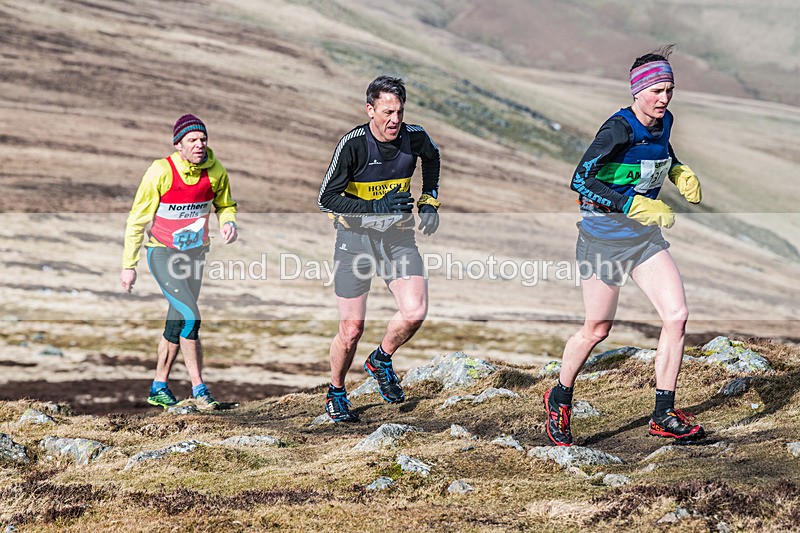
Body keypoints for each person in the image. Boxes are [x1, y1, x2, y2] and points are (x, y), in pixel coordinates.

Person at [544, 46, 705, 445]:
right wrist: (630, 202)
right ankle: (560, 396)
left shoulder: (664, 121)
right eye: (656, 91)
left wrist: (680, 169)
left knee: (677, 316)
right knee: (597, 329)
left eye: (669, 89)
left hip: (643, 238)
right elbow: (580, 180)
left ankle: (663, 413)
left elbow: (661, 151)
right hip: (603, 238)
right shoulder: (617, 129)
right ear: (638, 91)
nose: (664, 98)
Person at [317, 75, 441, 422]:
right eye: (387, 112)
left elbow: (433, 158)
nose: (394, 120)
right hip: (355, 241)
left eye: (399, 112)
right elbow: (325, 199)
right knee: (352, 329)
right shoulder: (353, 144)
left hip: (398, 238)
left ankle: (381, 359)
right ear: (369, 109)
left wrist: (429, 201)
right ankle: (336, 391)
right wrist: (377, 208)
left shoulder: (414, 136)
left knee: (414, 312)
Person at [120, 114, 238, 410]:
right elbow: (137, 220)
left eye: (203, 139)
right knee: (191, 316)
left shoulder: (216, 171)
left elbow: (225, 204)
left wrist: (229, 222)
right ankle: (199, 389)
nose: (199, 145)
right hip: (162, 253)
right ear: (179, 145)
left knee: (176, 323)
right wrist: (129, 265)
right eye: (192, 140)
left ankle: (159, 386)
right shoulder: (161, 171)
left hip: (195, 256)